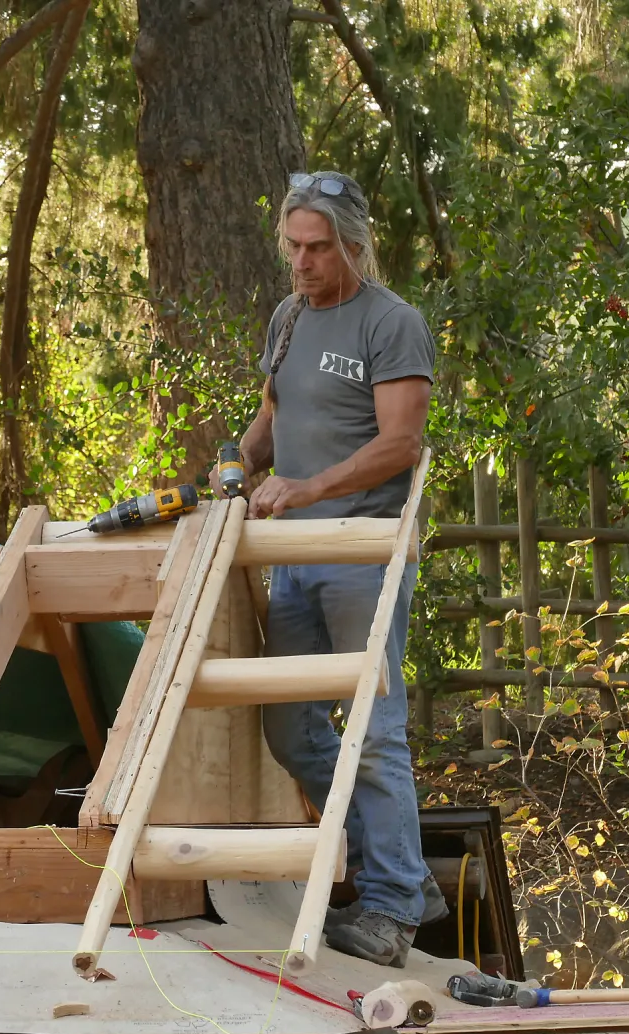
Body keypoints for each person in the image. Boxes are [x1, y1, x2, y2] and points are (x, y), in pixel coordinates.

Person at [211, 170, 440, 967]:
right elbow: (275, 414)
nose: (302, 264)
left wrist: (308, 487)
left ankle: (390, 906)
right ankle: (395, 870)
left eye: (317, 248)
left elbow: (399, 446)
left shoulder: (392, 323)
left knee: (374, 736)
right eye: (292, 247)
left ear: (352, 244)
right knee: (288, 726)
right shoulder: (287, 318)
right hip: (294, 560)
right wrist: (241, 463)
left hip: (362, 556)